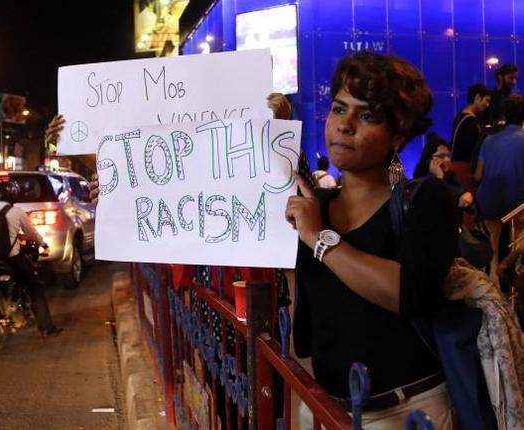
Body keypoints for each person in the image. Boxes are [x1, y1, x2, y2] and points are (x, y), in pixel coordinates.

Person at [69, 52, 457, 429]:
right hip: (320, 406)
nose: (345, 125)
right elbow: (204, 202)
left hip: (407, 412)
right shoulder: (312, 201)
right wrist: (123, 193)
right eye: (340, 109)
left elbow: (407, 293)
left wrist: (320, 239)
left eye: (367, 115)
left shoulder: (424, 199)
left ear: (398, 135)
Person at [0, 180, 62, 338]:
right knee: (36, 287)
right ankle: (47, 328)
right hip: (11, 259)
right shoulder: (17, 212)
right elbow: (31, 233)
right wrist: (44, 244)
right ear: (12, 195)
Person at [475, 94, 524, 285]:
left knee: (492, 248)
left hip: (490, 204)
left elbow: (478, 175)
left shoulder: (489, 141)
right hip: (518, 208)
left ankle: (494, 283)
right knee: (519, 239)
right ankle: (515, 281)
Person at [414, 132, 474, 221]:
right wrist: (439, 178)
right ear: (429, 160)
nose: (447, 160)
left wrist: (468, 197)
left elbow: (463, 196)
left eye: (448, 155)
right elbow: (435, 208)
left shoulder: (450, 175)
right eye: (441, 156)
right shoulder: (421, 183)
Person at [451, 83, 491, 189]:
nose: (487, 105)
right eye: (486, 100)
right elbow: (475, 150)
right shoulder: (471, 121)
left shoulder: (460, 116)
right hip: (465, 170)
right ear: (477, 97)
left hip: (454, 168)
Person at [482, 63, 519, 128]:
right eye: (511, 78)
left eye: (516, 78)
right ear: (500, 77)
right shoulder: (490, 97)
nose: (514, 82)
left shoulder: (516, 99)